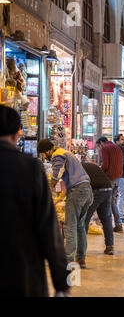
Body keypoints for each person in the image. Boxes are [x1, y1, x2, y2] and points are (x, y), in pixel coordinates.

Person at [0, 105, 70, 297]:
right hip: (22, 272)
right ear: (16, 135)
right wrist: (61, 282)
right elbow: (48, 227)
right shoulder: (30, 168)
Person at [37, 139, 93, 269]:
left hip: (77, 191)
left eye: (43, 155)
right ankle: (81, 259)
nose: (43, 157)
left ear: (47, 151)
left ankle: (68, 260)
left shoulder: (57, 155)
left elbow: (56, 175)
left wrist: (49, 190)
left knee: (70, 227)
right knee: (79, 226)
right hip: (87, 190)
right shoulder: (66, 153)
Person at [82, 162, 115, 255]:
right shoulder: (88, 165)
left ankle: (81, 249)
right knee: (106, 219)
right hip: (108, 189)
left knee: (84, 218)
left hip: (96, 190)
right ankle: (110, 247)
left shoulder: (78, 169)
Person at [96, 137, 123, 233]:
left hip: (110, 178)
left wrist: (99, 171)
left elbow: (105, 164)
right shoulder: (117, 147)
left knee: (109, 201)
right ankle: (117, 223)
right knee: (111, 201)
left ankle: (114, 224)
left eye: (99, 145)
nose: (99, 148)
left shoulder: (105, 148)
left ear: (102, 142)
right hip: (118, 177)